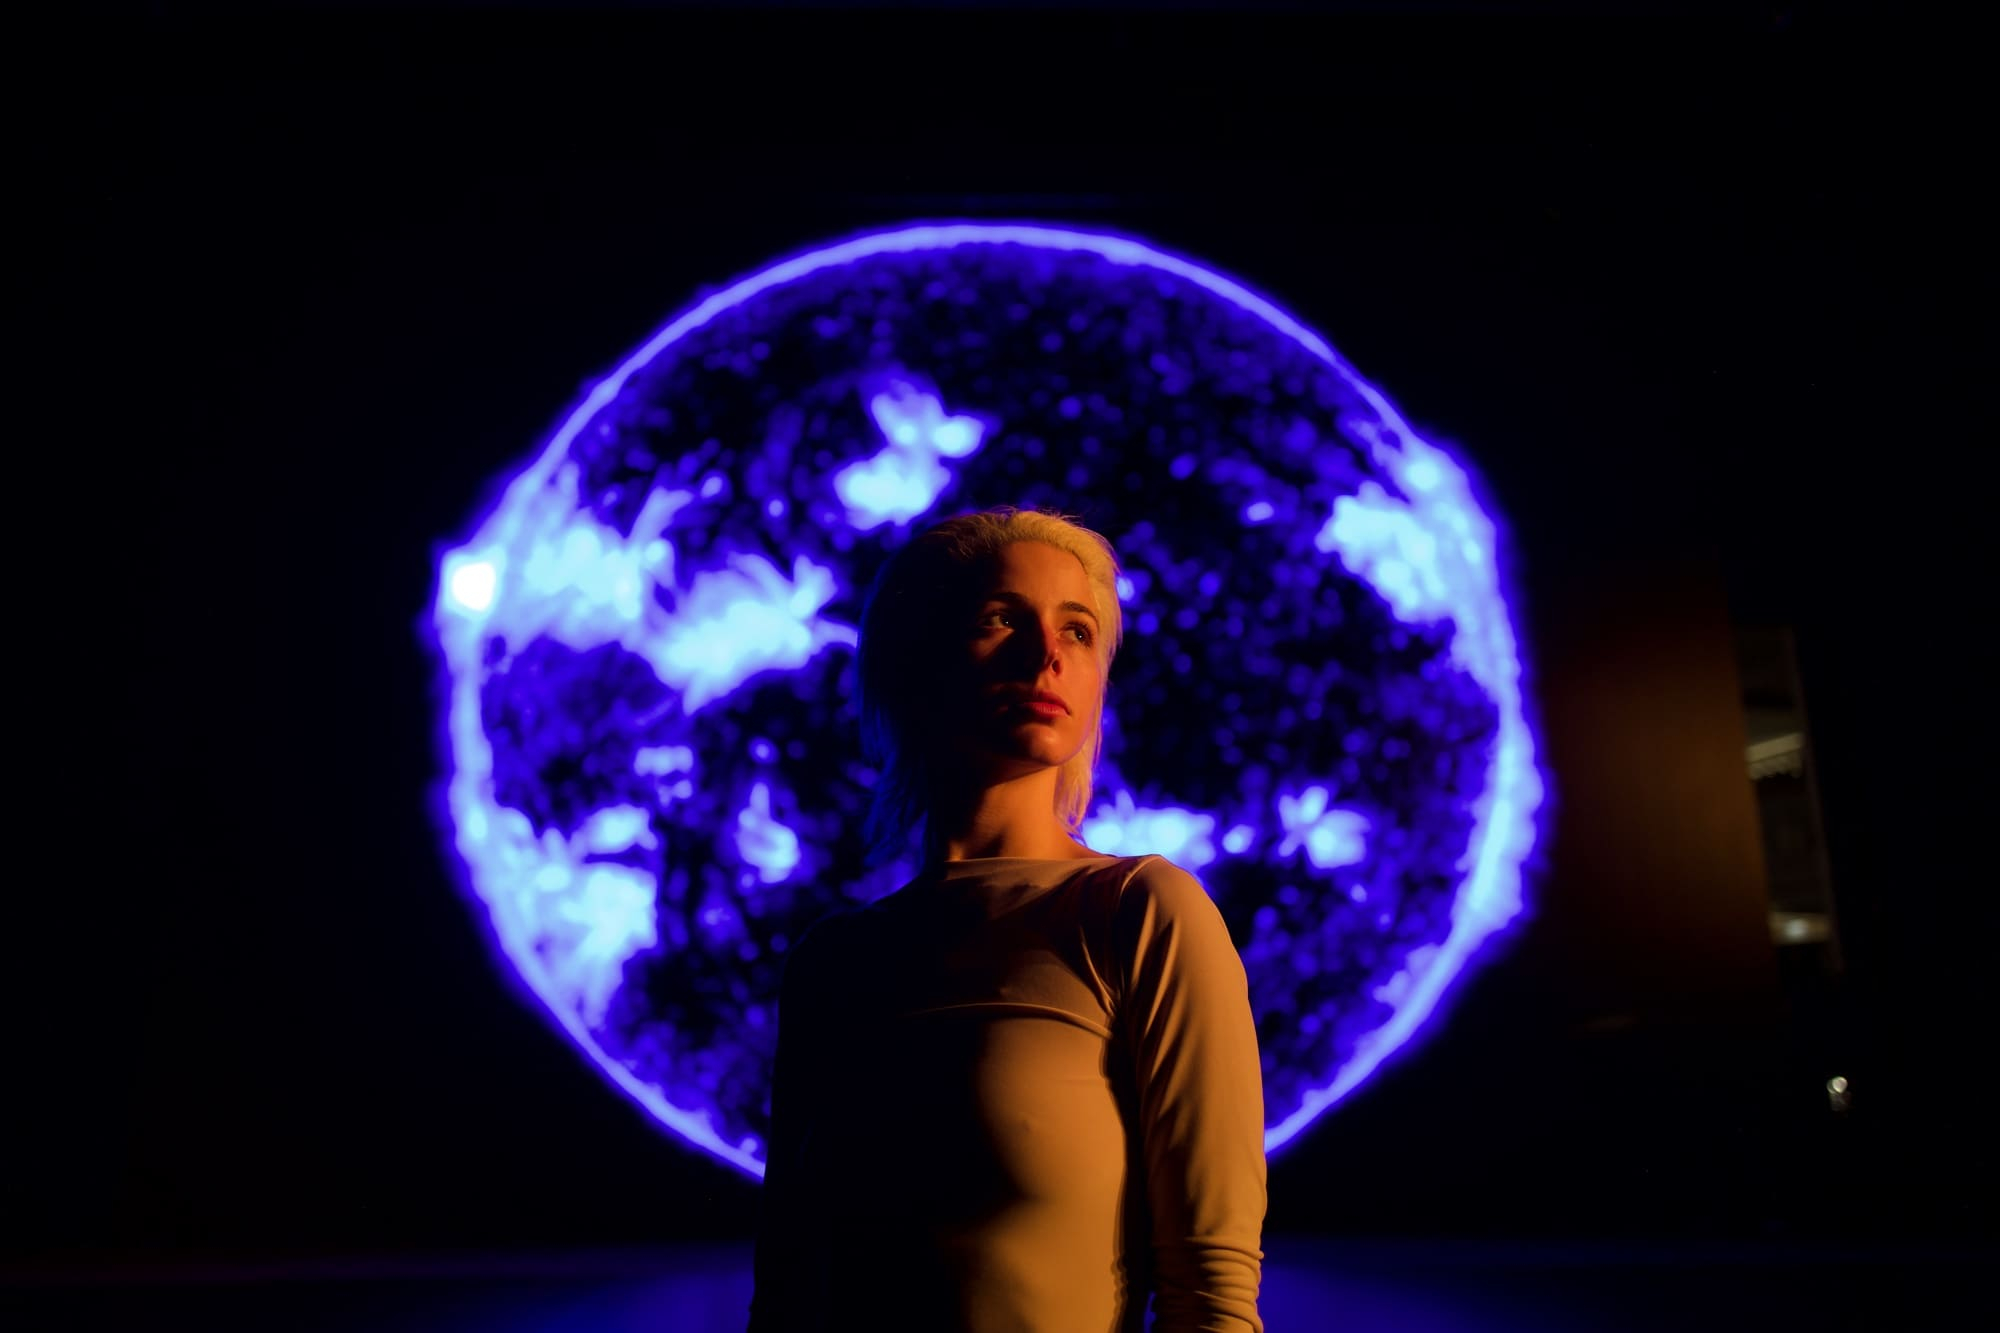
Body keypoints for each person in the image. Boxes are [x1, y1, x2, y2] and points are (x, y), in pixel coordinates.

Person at [748, 506, 1266, 1331]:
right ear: (915, 659)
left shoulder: (1139, 912)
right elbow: (786, 1294)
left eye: (1078, 630)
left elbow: (1214, 1292)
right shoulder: (834, 961)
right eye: (1001, 618)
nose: (1046, 654)